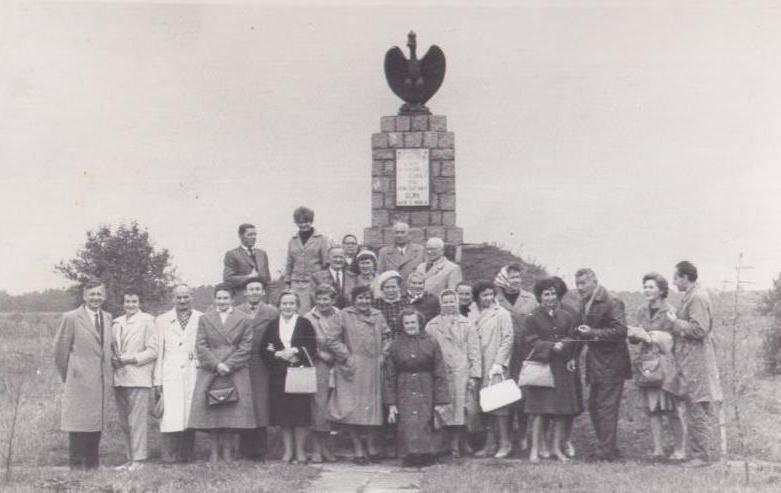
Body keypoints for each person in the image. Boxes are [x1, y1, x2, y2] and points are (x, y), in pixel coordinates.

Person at [188, 285, 255, 462]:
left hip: (235, 370)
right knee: (213, 412)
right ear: (214, 299)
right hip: (212, 370)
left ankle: (228, 453)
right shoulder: (205, 319)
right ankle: (214, 453)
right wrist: (216, 364)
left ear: (233, 299)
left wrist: (229, 364)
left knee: (231, 412)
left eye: (225, 298)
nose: (222, 302)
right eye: (219, 298)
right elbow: (201, 345)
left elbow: (246, 347)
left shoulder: (245, 319)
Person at [666, 261, 723, 466]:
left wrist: (675, 322)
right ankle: (701, 453)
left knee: (697, 404)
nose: (674, 282)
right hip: (692, 360)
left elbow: (699, 330)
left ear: (685, 277)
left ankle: (701, 456)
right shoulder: (692, 295)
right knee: (695, 405)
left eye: (676, 277)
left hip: (697, 362)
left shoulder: (697, 297)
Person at [52, 278, 113, 470]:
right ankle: (77, 466)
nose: (96, 298)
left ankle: (93, 464)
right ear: (84, 296)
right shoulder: (71, 317)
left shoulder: (108, 318)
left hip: (101, 380)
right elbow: (59, 351)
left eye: (99, 294)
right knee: (78, 423)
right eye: (92, 294)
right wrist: (70, 374)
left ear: (104, 296)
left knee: (96, 423)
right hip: (79, 380)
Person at [326, 285, 390, 464]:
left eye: (367, 298)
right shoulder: (343, 315)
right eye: (360, 298)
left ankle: (371, 446)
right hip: (351, 369)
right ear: (353, 300)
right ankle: (357, 449)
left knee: (372, 410)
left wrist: (383, 354)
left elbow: (387, 336)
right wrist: (347, 357)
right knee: (351, 409)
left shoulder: (378, 315)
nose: (364, 301)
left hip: (373, 368)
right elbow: (331, 339)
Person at [627, 272, 686, 461]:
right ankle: (658, 449)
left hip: (666, 363)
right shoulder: (641, 311)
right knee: (652, 408)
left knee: (672, 408)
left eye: (651, 287)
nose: (647, 290)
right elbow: (636, 339)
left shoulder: (670, 310)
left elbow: (676, 337)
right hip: (647, 364)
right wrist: (635, 335)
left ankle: (680, 449)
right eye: (645, 287)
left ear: (661, 290)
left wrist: (656, 337)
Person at [574, 268, 631, 462]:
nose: (579, 288)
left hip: (612, 362)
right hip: (596, 362)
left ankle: (606, 452)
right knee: (594, 405)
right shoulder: (584, 302)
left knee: (605, 407)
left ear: (594, 281)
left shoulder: (611, 300)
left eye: (583, 283)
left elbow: (621, 331)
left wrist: (592, 333)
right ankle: (609, 448)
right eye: (577, 284)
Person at [523, 278, 582, 463]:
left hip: (561, 367)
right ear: (539, 296)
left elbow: (573, 337)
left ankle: (557, 448)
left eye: (553, 294)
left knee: (560, 412)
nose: (550, 298)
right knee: (539, 411)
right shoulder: (532, 317)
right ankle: (534, 449)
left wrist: (566, 347)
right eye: (546, 294)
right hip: (542, 367)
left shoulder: (566, 316)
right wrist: (549, 346)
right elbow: (530, 339)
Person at [385, 309, 450, 467]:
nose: (410, 326)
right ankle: (410, 454)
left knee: (425, 417)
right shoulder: (396, 344)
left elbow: (440, 371)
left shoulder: (431, 342)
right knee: (407, 419)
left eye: (413, 322)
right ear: (402, 325)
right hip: (404, 384)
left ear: (420, 323)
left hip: (426, 384)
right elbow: (390, 375)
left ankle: (427, 453)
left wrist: (441, 399)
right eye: (406, 323)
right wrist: (391, 402)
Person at [261, 290, 317, 464]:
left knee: (300, 413)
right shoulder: (272, 325)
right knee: (283, 415)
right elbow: (264, 349)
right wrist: (278, 354)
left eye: (291, 303)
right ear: (279, 306)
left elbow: (312, 346)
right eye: (284, 303)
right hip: (279, 374)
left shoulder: (304, 323)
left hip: (299, 373)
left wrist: (295, 351)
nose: (287, 306)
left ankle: (300, 451)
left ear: (297, 306)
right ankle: (288, 451)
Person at [426, 290, 482, 458]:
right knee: (443, 408)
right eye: (446, 302)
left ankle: (458, 444)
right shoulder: (432, 326)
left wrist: (474, 375)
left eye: (452, 301)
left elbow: (474, 351)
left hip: (461, 372)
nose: (449, 305)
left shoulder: (467, 324)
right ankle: (444, 442)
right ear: (441, 304)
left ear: (457, 303)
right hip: (441, 372)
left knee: (461, 409)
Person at [153, 284, 202, 463]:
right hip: (170, 370)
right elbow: (159, 351)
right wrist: (157, 379)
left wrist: (197, 361)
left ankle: (187, 455)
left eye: (186, 297)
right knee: (170, 413)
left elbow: (201, 346)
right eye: (178, 297)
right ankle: (169, 456)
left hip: (192, 370)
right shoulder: (162, 320)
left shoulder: (201, 318)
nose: (182, 301)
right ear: (172, 298)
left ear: (192, 297)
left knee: (189, 413)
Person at [110, 291, 158, 471]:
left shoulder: (148, 321)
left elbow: (153, 351)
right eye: (127, 301)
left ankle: (139, 460)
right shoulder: (117, 322)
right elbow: (113, 348)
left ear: (140, 302)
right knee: (125, 422)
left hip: (138, 378)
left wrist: (130, 359)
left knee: (137, 421)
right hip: (119, 378)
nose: (130, 304)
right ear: (123, 303)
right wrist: (114, 360)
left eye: (134, 301)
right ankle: (130, 459)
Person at [494, 264, 538, 453]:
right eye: (512, 277)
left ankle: (522, 437)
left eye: (518, 277)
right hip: (503, 355)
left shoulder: (530, 299)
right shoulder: (495, 299)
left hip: (524, 354)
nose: (516, 281)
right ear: (504, 279)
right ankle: (505, 441)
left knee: (523, 396)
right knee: (503, 397)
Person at [470, 281, 515, 458]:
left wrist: (499, 363)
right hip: (478, 365)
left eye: (491, 294)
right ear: (477, 298)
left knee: (500, 404)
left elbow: (508, 339)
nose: (488, 298)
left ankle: (505, 442)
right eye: (484, 295)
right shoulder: (472, 314)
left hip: (495, 365)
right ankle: (490, 443)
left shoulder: (502, 313)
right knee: (485, 405)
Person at [236, 277, 279, 461]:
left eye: (257, 289)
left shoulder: (271, 311)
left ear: (263, 292)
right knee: (244, 404)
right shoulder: (236, 311)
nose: (254, 292)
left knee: (261, 405)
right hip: (242, 362)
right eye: (250, 289)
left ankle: (261, 450)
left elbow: (277, 335)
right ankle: (244, 449)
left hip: (262, 362)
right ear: (245, 292)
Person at [303, 284, 341, 463]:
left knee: (334, 406)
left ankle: (329, 448)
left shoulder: (341, 315)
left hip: (340, 363)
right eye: (319, 299)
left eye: (326, 298)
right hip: (318, 364)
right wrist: (320, 354)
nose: (323, 302)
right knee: (319, 405)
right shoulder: (308, 318)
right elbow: (305, 343)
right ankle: (316, 449)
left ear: (333, 299)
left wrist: (339, 356)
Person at [285, 206, 330, 314]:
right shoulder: (292, 240)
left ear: (311, 221)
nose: (303, 225)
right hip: (296, 282)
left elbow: (326, 263)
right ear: (296, 223)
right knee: (295, 310)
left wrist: (322, 283)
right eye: (300, 222)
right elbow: (289, 263)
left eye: (306, 221)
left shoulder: (321, 239)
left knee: (311, 312)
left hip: (313, 283)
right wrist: (287, 283)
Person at [377, 222, 425, 291]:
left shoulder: (420, 250)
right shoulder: (384, 252)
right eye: (396, 232)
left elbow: (424, 275)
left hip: (413, 292)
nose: (399, 235)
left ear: (408, 234)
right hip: (393, 293)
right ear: (393, 235)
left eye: (402, 232)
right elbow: (380, 276)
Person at [223, 223, 271, 291]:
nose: (254, 237)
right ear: (240, 236)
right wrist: (249, 277)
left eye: (255, 235)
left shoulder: (262, 254)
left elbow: (268, 279)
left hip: (262, 296)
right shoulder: (232, 254)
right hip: (242, 295)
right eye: (250, 235)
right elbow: (228, 279)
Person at [373, 270, 409, 341]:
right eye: (387, 287)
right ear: (382, 289)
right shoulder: (376, 304)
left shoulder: (406, 303)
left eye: (393, 287)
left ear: (398, 288)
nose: (390, 290)